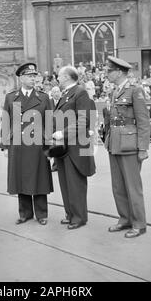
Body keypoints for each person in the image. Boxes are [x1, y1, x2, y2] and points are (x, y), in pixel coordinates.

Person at [1, 63, 53, 225]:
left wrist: (49, 145)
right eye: (30, 76)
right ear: (21, 78)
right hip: (18, 145)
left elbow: (49, 123)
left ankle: (41, 213)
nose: (33, 79)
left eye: (34, 76)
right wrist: (5, 144)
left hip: (38, 145)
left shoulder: (43, 97)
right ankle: (25, 213)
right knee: (21, 178)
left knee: (39, 178)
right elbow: (6, 121)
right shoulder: (11, 97)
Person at [104, 56, 150, 238]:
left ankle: (139, 223)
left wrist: (143, 148)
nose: (106, 73)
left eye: (109, 71)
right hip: (114, 144)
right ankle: (125, 219)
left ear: (120, 72)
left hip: (130, 145)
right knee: (118, 186)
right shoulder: (115, 92)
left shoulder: (135, 90)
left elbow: (143, 121)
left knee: (133, 186)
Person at [53, 66, 96, 230]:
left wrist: (62, 134)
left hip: (75, 146)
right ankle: (70, 214)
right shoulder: (65, 94)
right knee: (65, 182)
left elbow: (83, 120)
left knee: (75, 183)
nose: (57, 79)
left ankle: (79, 217)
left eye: (59, 76)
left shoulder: (80, 92)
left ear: (66, 77)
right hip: (63, 147)